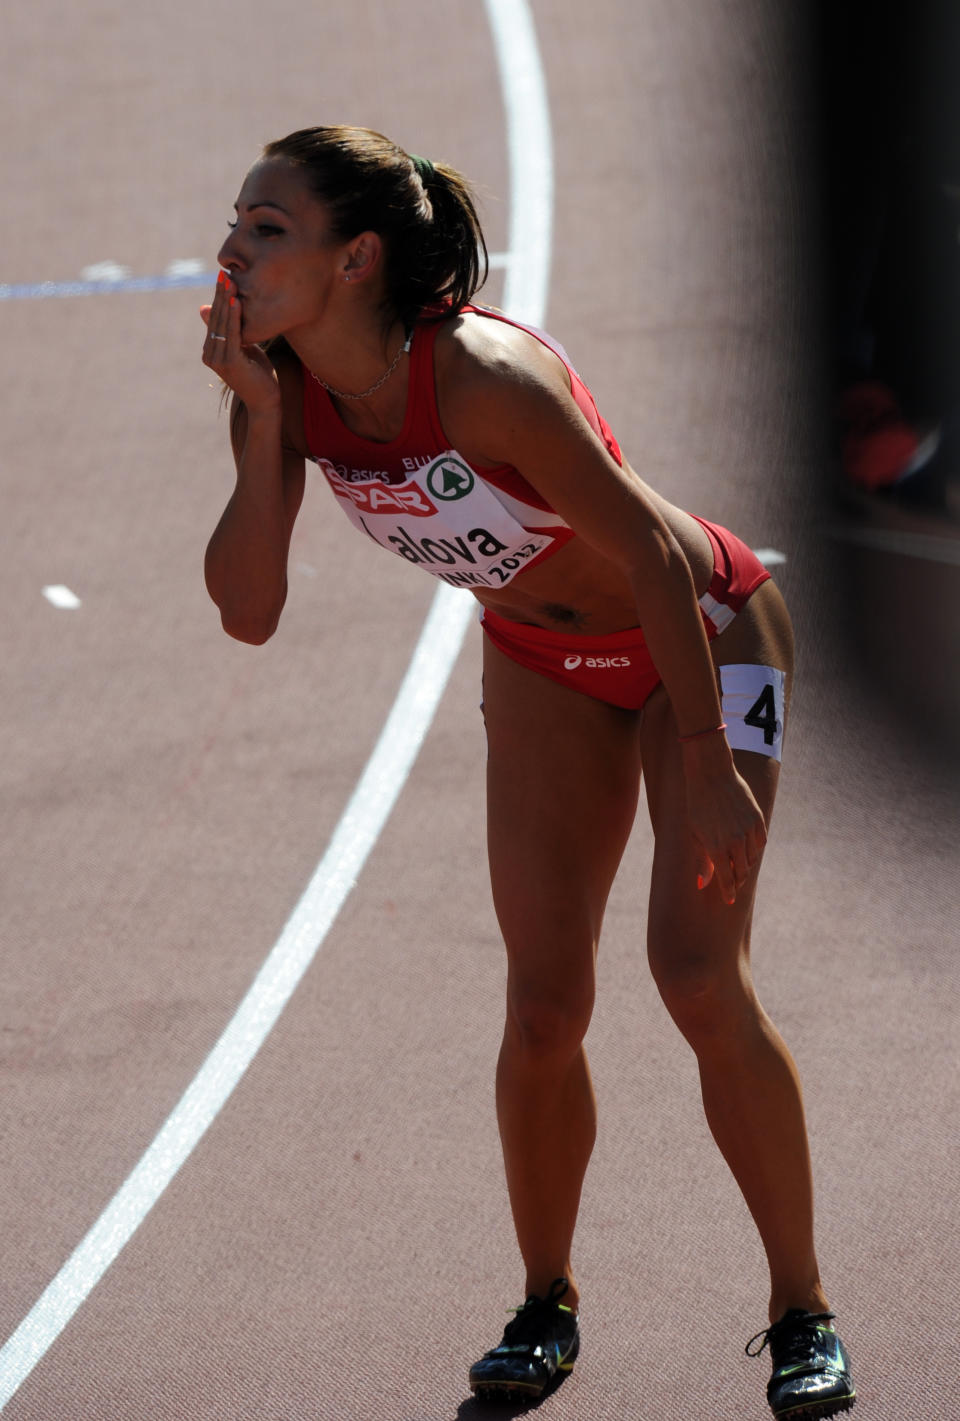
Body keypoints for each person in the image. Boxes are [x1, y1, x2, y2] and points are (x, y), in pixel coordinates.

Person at [202, 125, 856, 1420]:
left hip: (700, 641)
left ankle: (802, 1309)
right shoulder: (280, 388)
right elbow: (247, 609)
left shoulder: (489, 379)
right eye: (236, 219)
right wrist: (267, 428)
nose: (232, 246)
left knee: (695, 973)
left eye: (266, 227)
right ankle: (544, 1303)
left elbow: (662, 562)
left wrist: (709, 754)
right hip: (546, 662)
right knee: (544, 1010)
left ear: (357, 259)